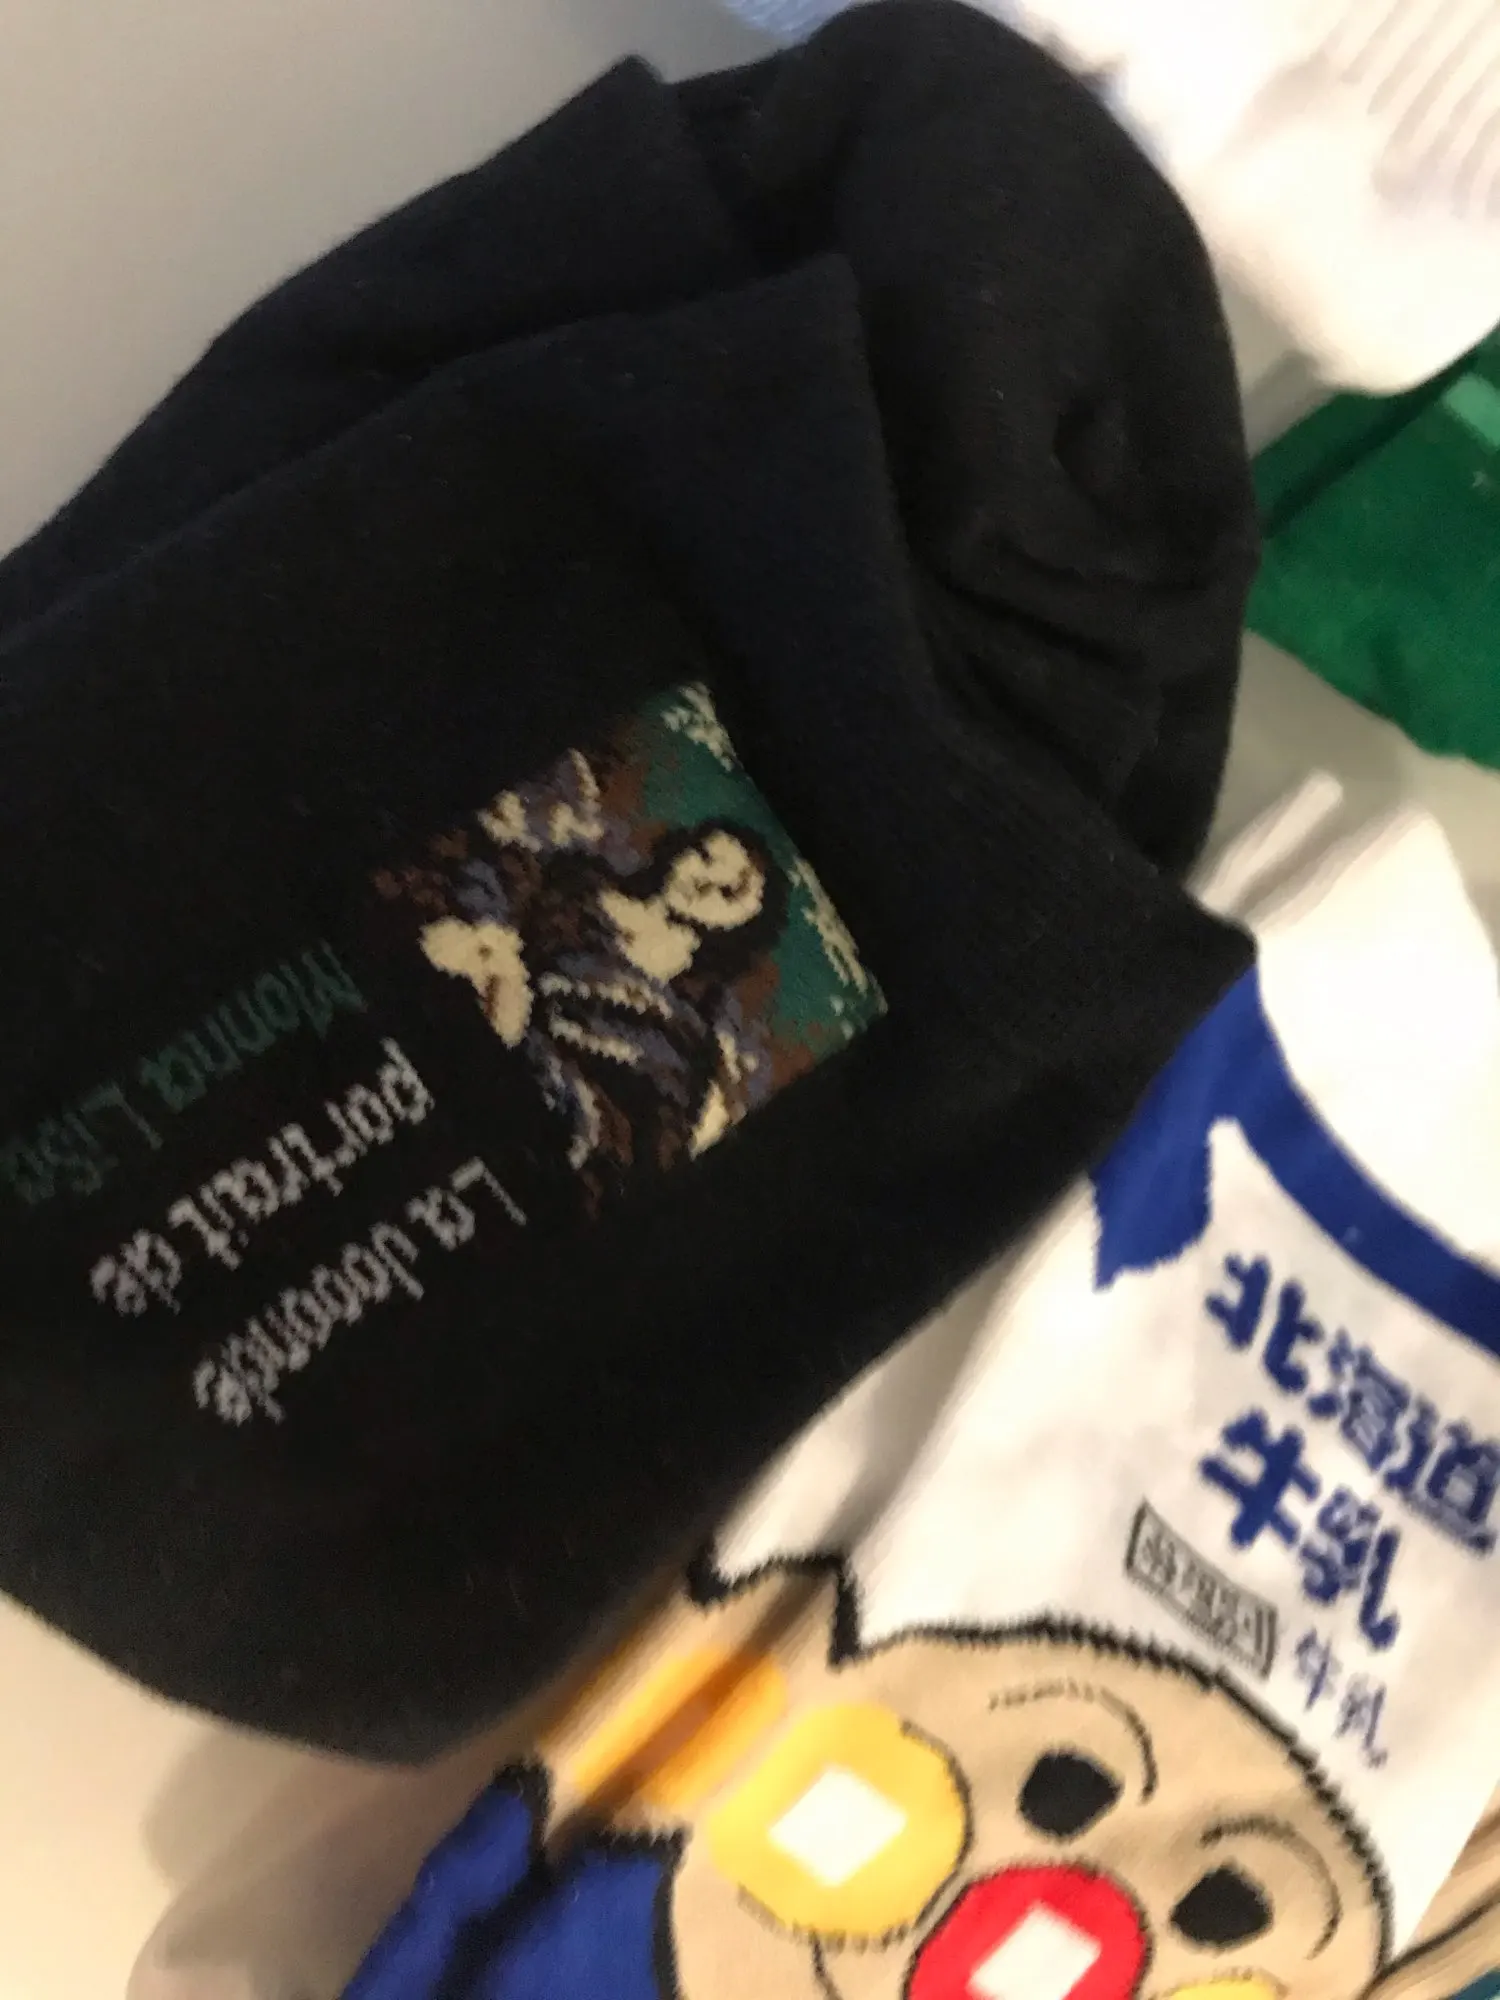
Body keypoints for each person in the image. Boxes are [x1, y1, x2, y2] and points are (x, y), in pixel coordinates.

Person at [421, 819, 789, 1198]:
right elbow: (476, 875)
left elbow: (629, 1152)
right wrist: (488, 939)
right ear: (681, 848)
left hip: (498, 1138)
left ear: (746, 922)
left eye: (729, 892)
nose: (704, 885)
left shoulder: (683, 1039)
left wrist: (521, 1040)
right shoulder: (575, 879)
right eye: (705, 857)